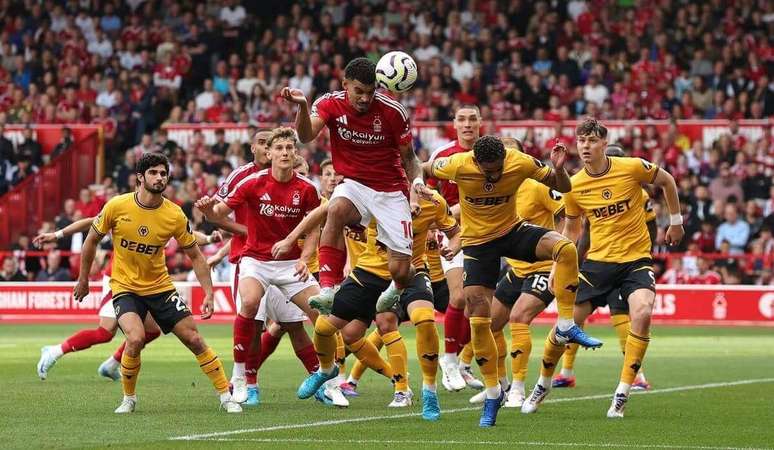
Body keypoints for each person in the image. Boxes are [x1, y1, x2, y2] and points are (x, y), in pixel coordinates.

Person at [422, 135, 601, 427]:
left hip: (511, 231)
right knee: (479, 318)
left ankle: (566, 324)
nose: (494, 175)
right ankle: (494, 392)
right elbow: (423, 167)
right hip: (479, 244)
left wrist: (558, 169)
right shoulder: (456, 164)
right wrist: (418, 184)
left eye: (498, 168)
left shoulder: (518, 161)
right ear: (475, 161)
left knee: (565, 248)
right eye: (488, 170)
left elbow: (564, 188)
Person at [524, 118, 683, 419]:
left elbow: (667, 181)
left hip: (636, 262)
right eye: (581, 141)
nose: (585, 146)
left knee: (643, 313)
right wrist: (558, 263)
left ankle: (622, 392)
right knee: (566, 325)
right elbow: (572, 230)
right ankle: (543, 384)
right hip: (598, 264)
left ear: (603, 144)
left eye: (592, 141)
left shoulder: (631, 167)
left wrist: (676, 223)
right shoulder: (574, 185)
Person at [73, 152, 240, 413]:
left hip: (160, 288)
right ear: (140, 177)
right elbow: (91, 241)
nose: (160, 177)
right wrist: (83, 280)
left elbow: (195, 255)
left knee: (194, 339)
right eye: (153, 172)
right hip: (125, 288)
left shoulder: (174, 214)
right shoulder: (117, 206)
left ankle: (225, 396)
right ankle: (129, 398)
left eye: (163, 173)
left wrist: (208, 293)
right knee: (136, 338)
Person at [280, 56, 435, 315]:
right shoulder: (329, 103)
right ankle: (328, 289)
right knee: (336, 209)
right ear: (345, 85)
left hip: (390, 190)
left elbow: (410, 159)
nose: (365, 98)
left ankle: (397, 288)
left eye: (370, 92)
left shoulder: (393, 112)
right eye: (358, 91)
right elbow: (305, 137)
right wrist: (302, 107)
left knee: (400, 270)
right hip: (354, 184)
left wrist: (417, 181)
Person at [195, 128, 321, 405]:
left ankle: (323, 377)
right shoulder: (245, 178)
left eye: (284, 146)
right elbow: (219, 215)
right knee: (252, 320)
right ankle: (247, 382)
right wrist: (244, 232)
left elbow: (313, 226)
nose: (274, 150)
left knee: (294, 324)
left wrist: (302, 253)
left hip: (288, 261)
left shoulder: (303, 184)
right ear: (256, 148)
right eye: (265, 144)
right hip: (250, 259)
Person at [34, 216, 220, 381]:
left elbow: (187, 233)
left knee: (151, 331)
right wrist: (56, 235)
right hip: (119, 280)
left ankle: (112, 364)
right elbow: (89, 223)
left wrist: (210, 239)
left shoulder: (162, 215)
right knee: (105, 332)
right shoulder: (124, 212)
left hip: (145, 283)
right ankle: (54, 352)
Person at [337, 189, 460, 419]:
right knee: (362, 331)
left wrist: (452, 247)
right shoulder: (373, 194)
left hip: (414, 270)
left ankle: (428, 391)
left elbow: (456, 232)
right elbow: (347, 226)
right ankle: (398, 385)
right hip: (380, 274)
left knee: (422, 320)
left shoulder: (433, 201)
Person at [467, 137, 567, 409]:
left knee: (518, 317)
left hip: (543, 268)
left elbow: (566, 214)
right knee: (490, 324)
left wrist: (559, 261)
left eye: (511, 152)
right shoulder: (494, 188)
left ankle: (519, 389)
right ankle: (500, 385)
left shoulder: (535, 186)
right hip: (516, 269)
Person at [553, 143, 656, 391]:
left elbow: (651, 226)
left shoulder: (638, 194)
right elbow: (584, 231)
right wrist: (573, 263)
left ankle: (637, 376)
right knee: (576, 316)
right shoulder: (587, 188)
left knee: (622, 316)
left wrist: (643, 254)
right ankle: (566, 371)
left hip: (628, 261)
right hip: (599, 263)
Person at [426, 104, 482, 392]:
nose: (468, 124)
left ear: (480, 122)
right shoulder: (442, 156)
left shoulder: (488, 154)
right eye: (462, 119)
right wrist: (433, 225)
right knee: (458, 297)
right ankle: (448, 362)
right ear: (455, 124)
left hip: (485, 235)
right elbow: (425, 190)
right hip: (452, 233)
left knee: (483, 306)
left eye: (473, 119)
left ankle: (461, 363)